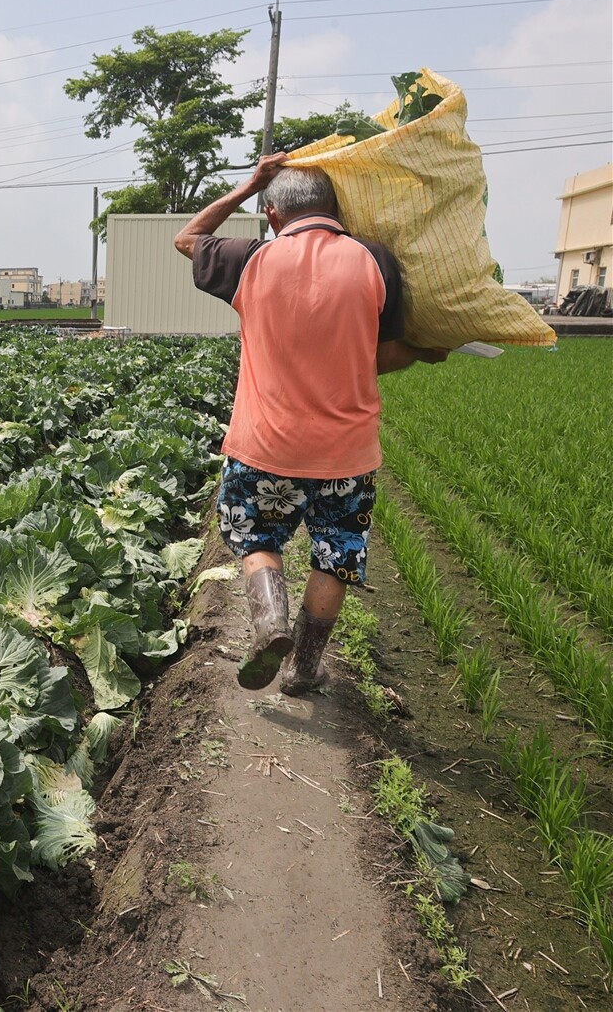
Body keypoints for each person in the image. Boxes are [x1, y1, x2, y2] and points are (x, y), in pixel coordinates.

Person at [174, 153, 447, 696]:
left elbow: (189, 236)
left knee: (255, 536)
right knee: (336, 555)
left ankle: (269, 623)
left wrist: (251, 181)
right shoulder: (375, 261)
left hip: (264, 447)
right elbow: (384, 357)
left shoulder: (251, 260)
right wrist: (423, 352)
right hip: (346, 453)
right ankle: (304, 668)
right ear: (336, 208)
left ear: (274, 215)